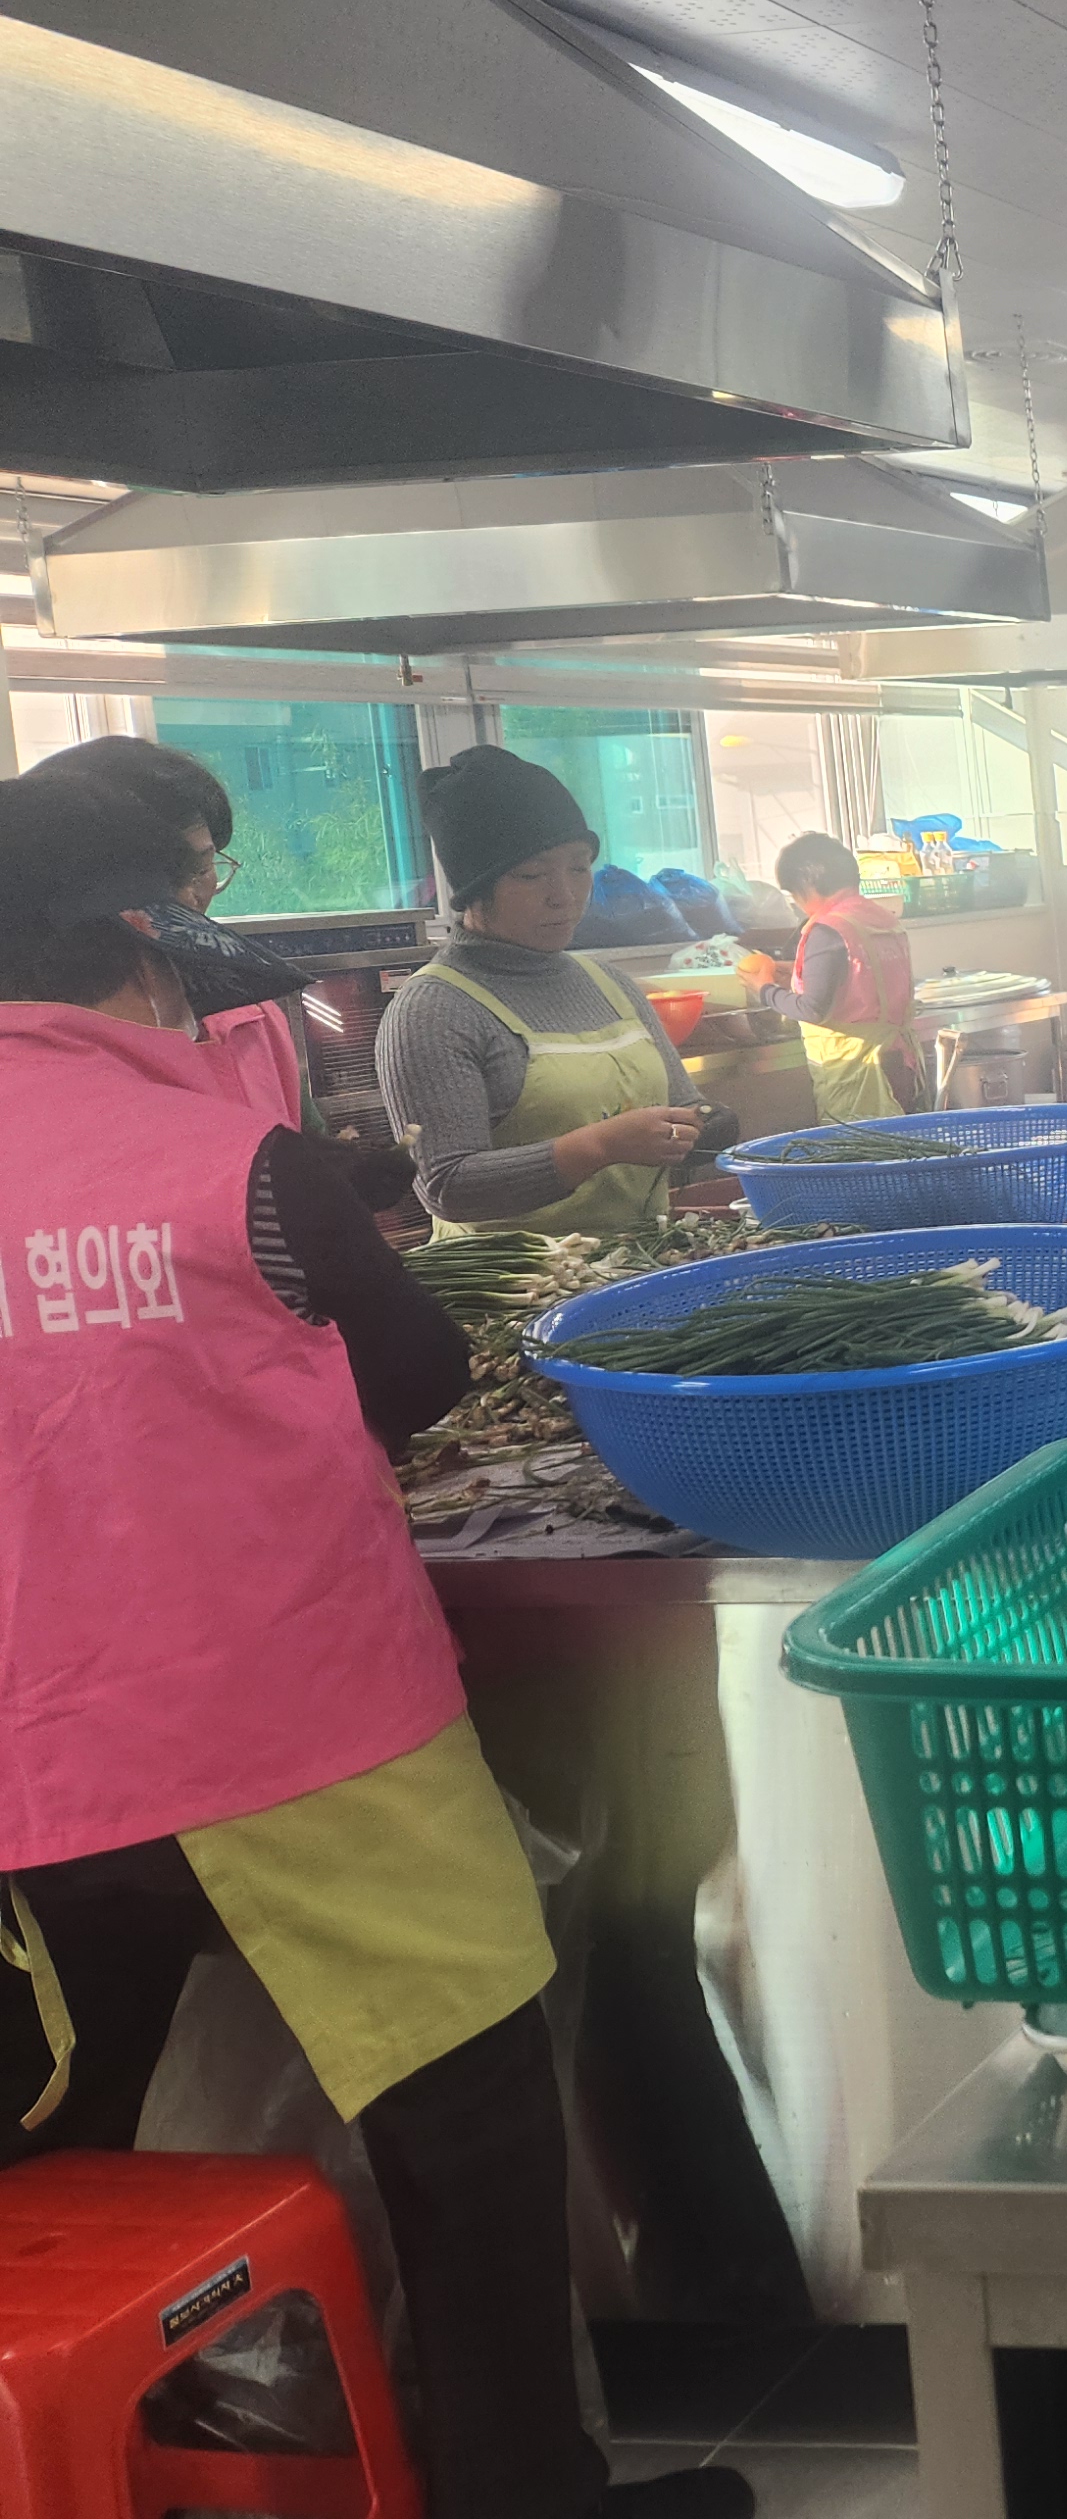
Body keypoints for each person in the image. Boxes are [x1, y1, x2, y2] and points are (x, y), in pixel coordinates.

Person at [0, 767, 744, 2519]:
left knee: (62, 2137)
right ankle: (518, 2495)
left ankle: (93, 2463)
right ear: (148, 950)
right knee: (464, 2119)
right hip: (296, 1723)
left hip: (37, 1763)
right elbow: (415, 1372)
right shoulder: (233, 1164)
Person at [377, 746, 711, 1236]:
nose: (564, 895)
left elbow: (685, 1108)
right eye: (532, 875)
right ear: (474, 890)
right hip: (515, 1278)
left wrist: (705, 1125)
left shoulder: (610, 985)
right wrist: (598, 1147)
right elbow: (445, 1186)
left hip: (641, 1261)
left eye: (579, 867)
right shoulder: (434, 1010)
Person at [46, 732, 308, 1132]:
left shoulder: (252, 1019)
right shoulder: (43, 1043)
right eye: (160, 879)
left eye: (201, 868)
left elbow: (307, 1146)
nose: (187, 897)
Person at [738, 832, 927, 1122]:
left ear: (807, 885)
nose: (798, 904)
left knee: (857, 1144)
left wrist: (762, 988)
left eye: (794, 894)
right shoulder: (880, 918)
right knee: (899, 1140)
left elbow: (812, 1009)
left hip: (855, 1068)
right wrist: (798, 972)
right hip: (897, 1059)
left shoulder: (828, 928)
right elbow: (859, 977)